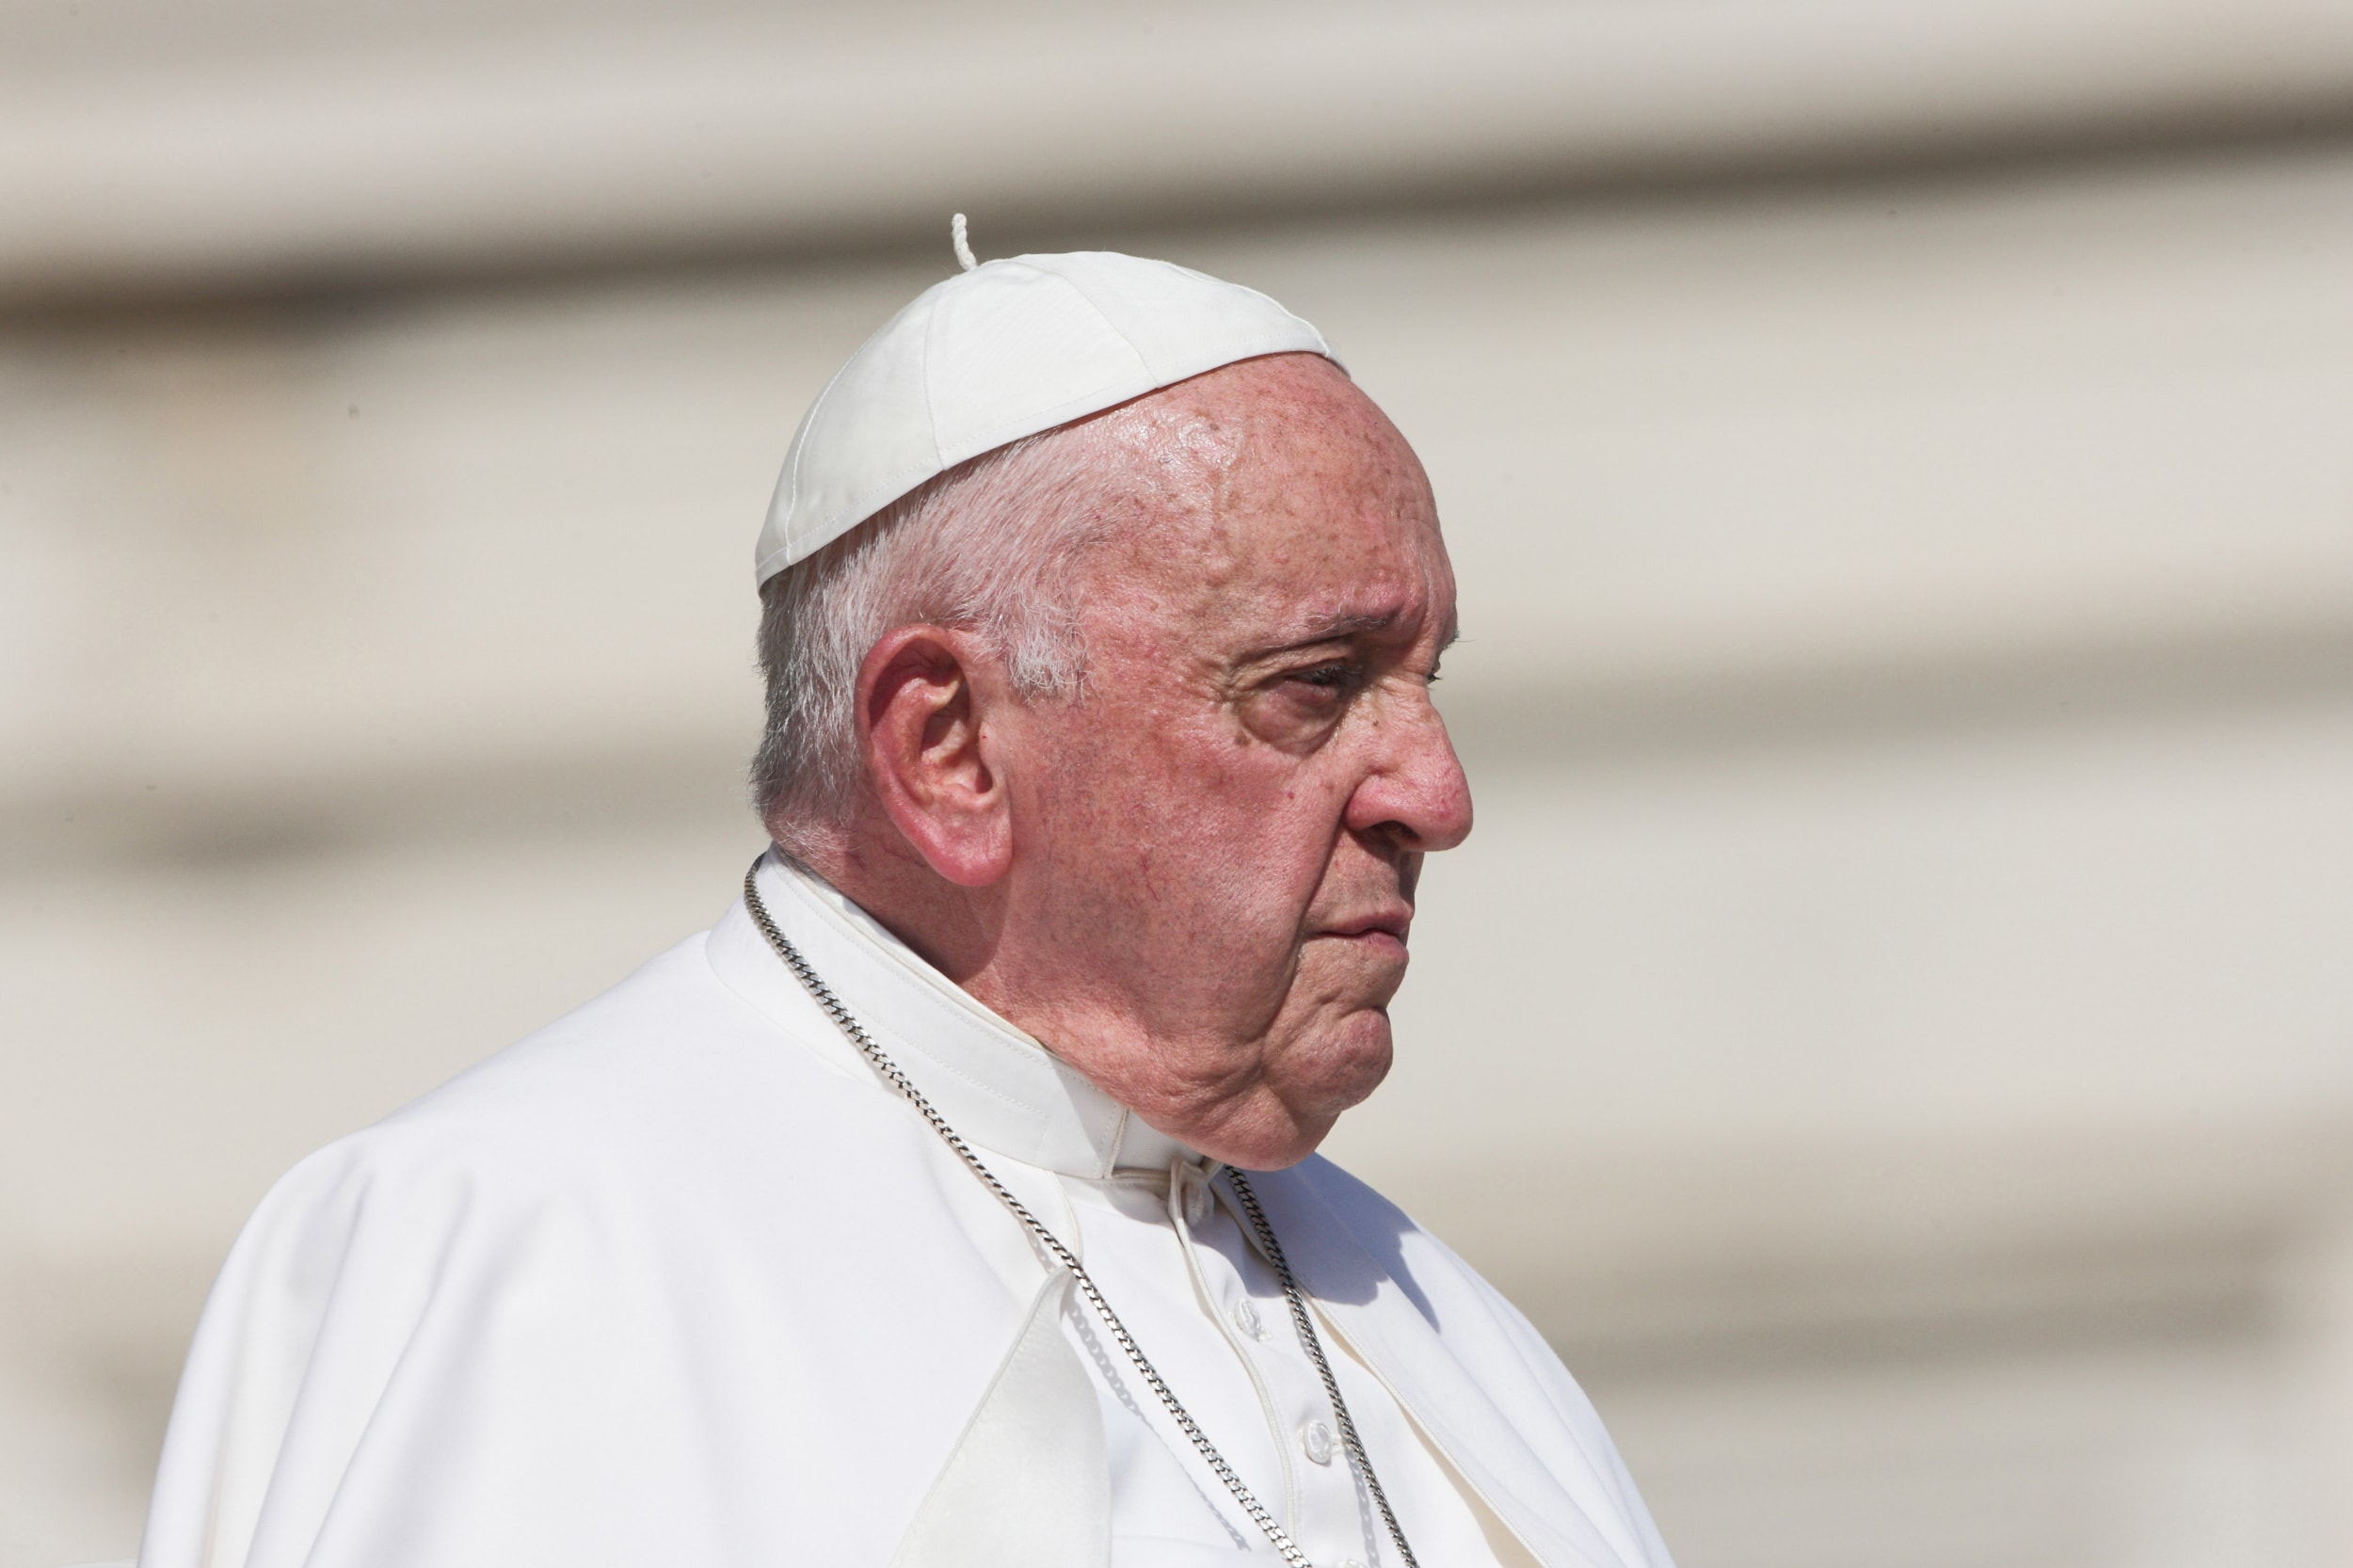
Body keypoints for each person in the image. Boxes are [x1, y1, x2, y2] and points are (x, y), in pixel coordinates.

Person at [136, 238, 1675, 1568]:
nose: (1437, 793)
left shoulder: (1433, 1319)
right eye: (1314, 687)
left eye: (1426, 679)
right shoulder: (523, 1257)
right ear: (947, 750)